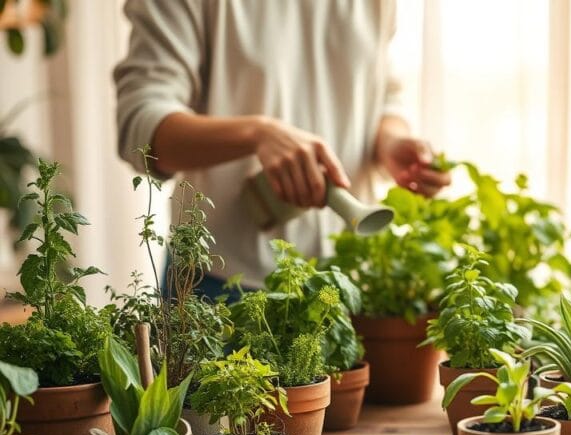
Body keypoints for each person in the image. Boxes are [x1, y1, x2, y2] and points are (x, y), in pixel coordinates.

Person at [114, 0, 450, 298]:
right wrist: (257, 134)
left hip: (350, 285)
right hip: (222, 287)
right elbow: (140, 126)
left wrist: (390, 141)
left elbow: (383, 91)